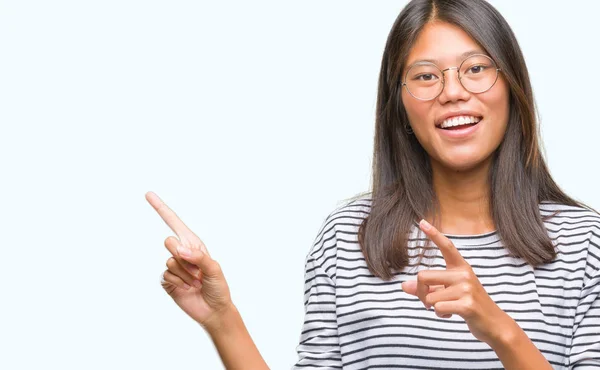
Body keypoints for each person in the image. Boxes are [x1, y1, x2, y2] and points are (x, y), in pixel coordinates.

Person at [146, 0, 600, 368]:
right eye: (425, 76)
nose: (453, 91)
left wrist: (500, 331)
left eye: (475, 68)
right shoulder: (347, 236)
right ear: (399, 103)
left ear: (512, 84)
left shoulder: (585, 243)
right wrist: (222, 320)